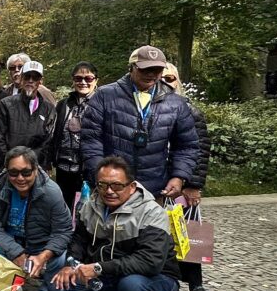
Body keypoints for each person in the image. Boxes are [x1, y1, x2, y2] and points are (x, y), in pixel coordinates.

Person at [48, 157, 180, 291]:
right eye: (103, 185)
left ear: (132, 186)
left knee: (133, 286)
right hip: (108, 274)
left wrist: (98, 268)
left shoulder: (151, 212)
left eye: (117, 185)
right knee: (58, 287)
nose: (109, 191)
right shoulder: (90, 206)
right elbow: (79, 241)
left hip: (156, 278)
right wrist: (71, 263)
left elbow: (150, 262)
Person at [81, 46, 197, 203]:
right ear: (131, 68)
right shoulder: (104, 96)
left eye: (156, 70)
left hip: (154, 191)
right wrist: (101, 178)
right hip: (111, 190)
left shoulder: (175, 103)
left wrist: (179, 177)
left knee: (151, 228)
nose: (150, 74)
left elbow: (187, 145)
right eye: (145, 69)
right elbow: (90, 141)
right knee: (111, 228)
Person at [0, 146, 71, 291]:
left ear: (36, 170)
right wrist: (17, 252)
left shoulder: (52, 192)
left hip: (39, 244)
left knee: (61, 255)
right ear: (6, 172)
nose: (20, 178)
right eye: (13, 173)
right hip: (9, 242)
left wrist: (44, 256)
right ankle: (3, 283)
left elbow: (63, 231)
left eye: (26, 172)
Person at [161, 63, 215, 291]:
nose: (165, 82)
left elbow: (201, 149)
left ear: (178, 81)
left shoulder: (191, 111)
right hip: (159, 185)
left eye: (170, 78)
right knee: (160, 236)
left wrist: (193, 184)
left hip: (185, 186)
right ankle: (163, 281)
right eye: (160, 78)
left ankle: (197, 285)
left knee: (191, 235)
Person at [45, 61, 99, 210]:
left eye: (88, 79)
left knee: (87, 208)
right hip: (63, 167)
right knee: (63, 206)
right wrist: (49, 160)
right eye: (78, 78)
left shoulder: (101, 104)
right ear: (72, 80)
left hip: (89, 168)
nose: (83, 82)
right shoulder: (63, 104)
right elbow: (53, 133)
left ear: (96, 81)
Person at [0, 61, 56, 166]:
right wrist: (9, 161)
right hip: (9, 164)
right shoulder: (6, 104)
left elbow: (47, 141)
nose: (30, 81)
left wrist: (32, 163)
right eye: (27, 76)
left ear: (40, 81)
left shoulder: (48, 109)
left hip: (35, 165)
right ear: (21, 79)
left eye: (35, 77)